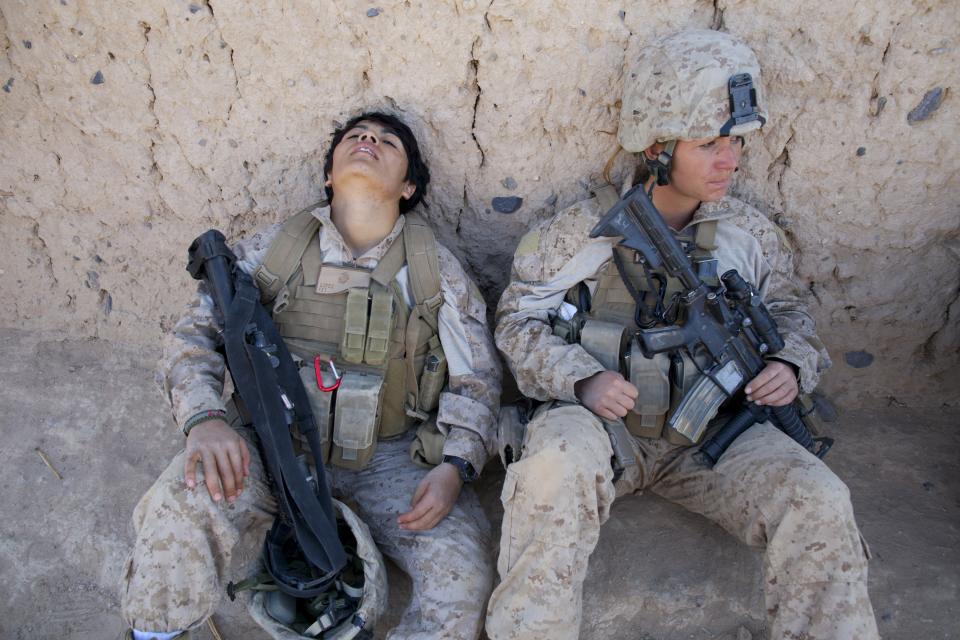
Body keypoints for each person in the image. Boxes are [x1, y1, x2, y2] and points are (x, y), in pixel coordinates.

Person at [486, 30, 878, 640]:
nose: (730, 160)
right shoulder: (582, 231)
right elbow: (515, 320)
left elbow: (791, 310)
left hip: (713, 439)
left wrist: (790, 364)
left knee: (818, 496)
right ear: (658, 148)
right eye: (708, 144)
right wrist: (580, 379)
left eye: (735, 143)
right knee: (552, 468)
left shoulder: (747, 234)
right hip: (603, 433)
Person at [119, 111, 500, 640]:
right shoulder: (275, 250)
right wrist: (205, 419)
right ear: (328, 176)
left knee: (462, 576)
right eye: (355, 137)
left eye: (388, 142)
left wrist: (456, 466)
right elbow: (192, 336)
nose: (368, 141)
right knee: (178, 508)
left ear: (408, 185)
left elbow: (477, 379)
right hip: (272, 448)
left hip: (389, 460)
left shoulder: (435, 271)